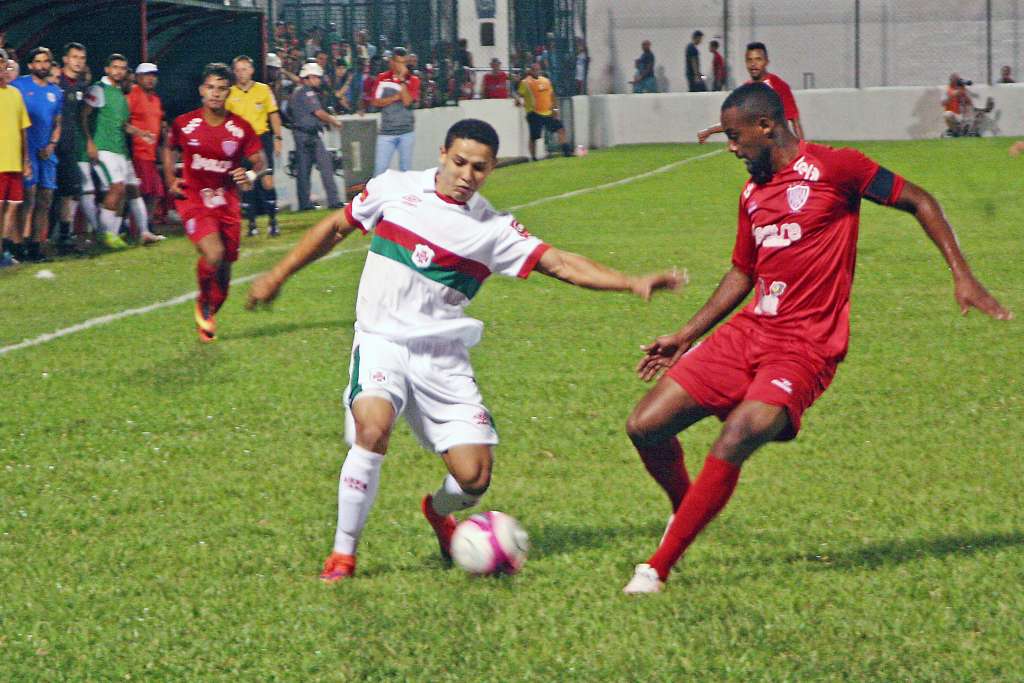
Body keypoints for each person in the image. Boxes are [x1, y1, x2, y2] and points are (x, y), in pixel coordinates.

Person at [245, 118, 683, 582]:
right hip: (382, 343)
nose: (466, 175)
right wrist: (279, 274)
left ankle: (438, 512)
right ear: (441, 154)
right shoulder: (394, 189)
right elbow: (335, 226)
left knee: (473, 478)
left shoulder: (493, 229)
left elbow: (559, 263)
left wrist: (629, 281)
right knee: (372, 430)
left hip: (443, 358)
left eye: (479, 167)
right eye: (459, 162)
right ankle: (343, 554)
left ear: (491, 168)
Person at [620, 83, 1012, 595]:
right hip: (749, 332)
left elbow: (920, 199)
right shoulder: (752, 192)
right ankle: (687, 508)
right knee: (644, 425)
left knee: (739, 433)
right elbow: (743, 272)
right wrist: (685, 335)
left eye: (736, 137)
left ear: (766, 127)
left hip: (806, 346)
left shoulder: (837, 168)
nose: (732, 148)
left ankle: (657, 568)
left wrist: (962, 274)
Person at [161, 62, 264, 343]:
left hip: (227, 202)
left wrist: (250, 174)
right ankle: (203, 302)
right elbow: (168, 148)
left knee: (225, 275)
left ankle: (210, 307)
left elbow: (259, 160)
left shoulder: (240, 128)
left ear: (228, 92)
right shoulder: (185, 124)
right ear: (201, 90)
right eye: (210, 88)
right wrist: (171, 178)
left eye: (221, 89)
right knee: (214, 254)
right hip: (194, 198)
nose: (215, 94)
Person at [11, 47, 63, 262]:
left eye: (46, 61)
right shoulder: (19, 86)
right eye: (38, 61)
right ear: (31, 65)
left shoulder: (56, 92)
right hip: (26, 151)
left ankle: (36, 245)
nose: (42, 65)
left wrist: (52, 144)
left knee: (45, 199)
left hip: (46, 152)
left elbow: (57, 123)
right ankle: (17, 244)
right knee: (27, 199)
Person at [81, 53, 137, 250]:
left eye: (122, 68)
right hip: (103, 148)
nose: (118, 71)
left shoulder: (120, 93)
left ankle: (112, 235)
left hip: (119, 149)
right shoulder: (99, 88)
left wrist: (140, 133)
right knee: (117, 188)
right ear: (107, 69)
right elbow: (84, 116)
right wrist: (89, 142)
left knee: (120, 192)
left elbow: (122, 124)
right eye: (115, 67)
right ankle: (105, 234)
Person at [697, 42, 804, 143]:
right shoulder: (745, 90)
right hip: (757, 151)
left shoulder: (779, 86)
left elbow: (794, 120)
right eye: (749, 60)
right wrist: (709, 131)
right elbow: (734, 121)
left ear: (766, 62)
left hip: (779, 149)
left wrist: (803, 150)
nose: (753, 64)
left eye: (758, 59)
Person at [226, 55, 284, 237]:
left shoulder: (263, 90)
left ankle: (273, 222)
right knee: (245, 182)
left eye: (245, 69)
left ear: (251, 71)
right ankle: (251, 224)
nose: (242, 73)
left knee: (267, 180)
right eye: (238, 70)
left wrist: (278, 137)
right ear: (234, 73)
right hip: (240, 143)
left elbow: (273, 114)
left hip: (261, 139)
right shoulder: (230, 94)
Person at [288, 62, 342, 211]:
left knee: (305, 171)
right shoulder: (307, 92)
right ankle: (333, 201)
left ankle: (306, 204)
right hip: (307, 136)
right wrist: (334, 121)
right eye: (317, 77)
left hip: (304, 134)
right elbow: (318, 112)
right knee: (322, 167)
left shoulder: (298, 92)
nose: (319, 80)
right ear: (309, 77)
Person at [125, 62, 166, 244]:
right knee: (139, 192)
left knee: (155, 191)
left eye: (153, 75)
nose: (151, 78)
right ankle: (133, 228)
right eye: (146, 75)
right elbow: (122, 121)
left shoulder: (156, 99)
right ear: (138, 77)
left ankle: (146, 226)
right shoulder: (133, 94)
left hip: (150, 154)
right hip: (137, 152)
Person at [53, 42, 87, 252]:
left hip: (69, 146)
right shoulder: (56, 81)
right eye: (74, 57)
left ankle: (63, 237)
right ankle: (35, 240)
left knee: (70, 191)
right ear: (65, 59)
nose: (78, 62)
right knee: (45, 195)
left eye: (82, 58)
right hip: (50, 146)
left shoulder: (80, 86)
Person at [0, 48, 31, 267]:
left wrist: (26, 160)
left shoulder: (15, 93)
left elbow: (23, 130)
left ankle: (4, 250)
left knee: (12, 206)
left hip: (15, 162)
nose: (2, 68)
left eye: (4, 64)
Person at [372, 47, 420, 176]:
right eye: (399, 62)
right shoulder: (382, 78)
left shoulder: (413, 79)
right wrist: (395, 97)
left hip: (406, 132)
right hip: (386, 132)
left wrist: (403, 80)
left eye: (404, 63)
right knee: (380, 170)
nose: (401, 66)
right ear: (392, 62)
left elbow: (407, 102)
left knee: (406, 170)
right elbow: (375, 101)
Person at [516, 62, 571, 160]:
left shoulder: (546, 81)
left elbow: (552, 96)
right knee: (534, 137)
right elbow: (519, 95)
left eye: (538, 69)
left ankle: (566, 152)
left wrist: (555, 109)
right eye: (534, 69)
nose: (536, 71)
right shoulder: (525, 82)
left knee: (560, 129)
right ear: (530, 71)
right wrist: (519, 101)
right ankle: (533, 157)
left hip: (548, 112)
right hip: (534, 113)